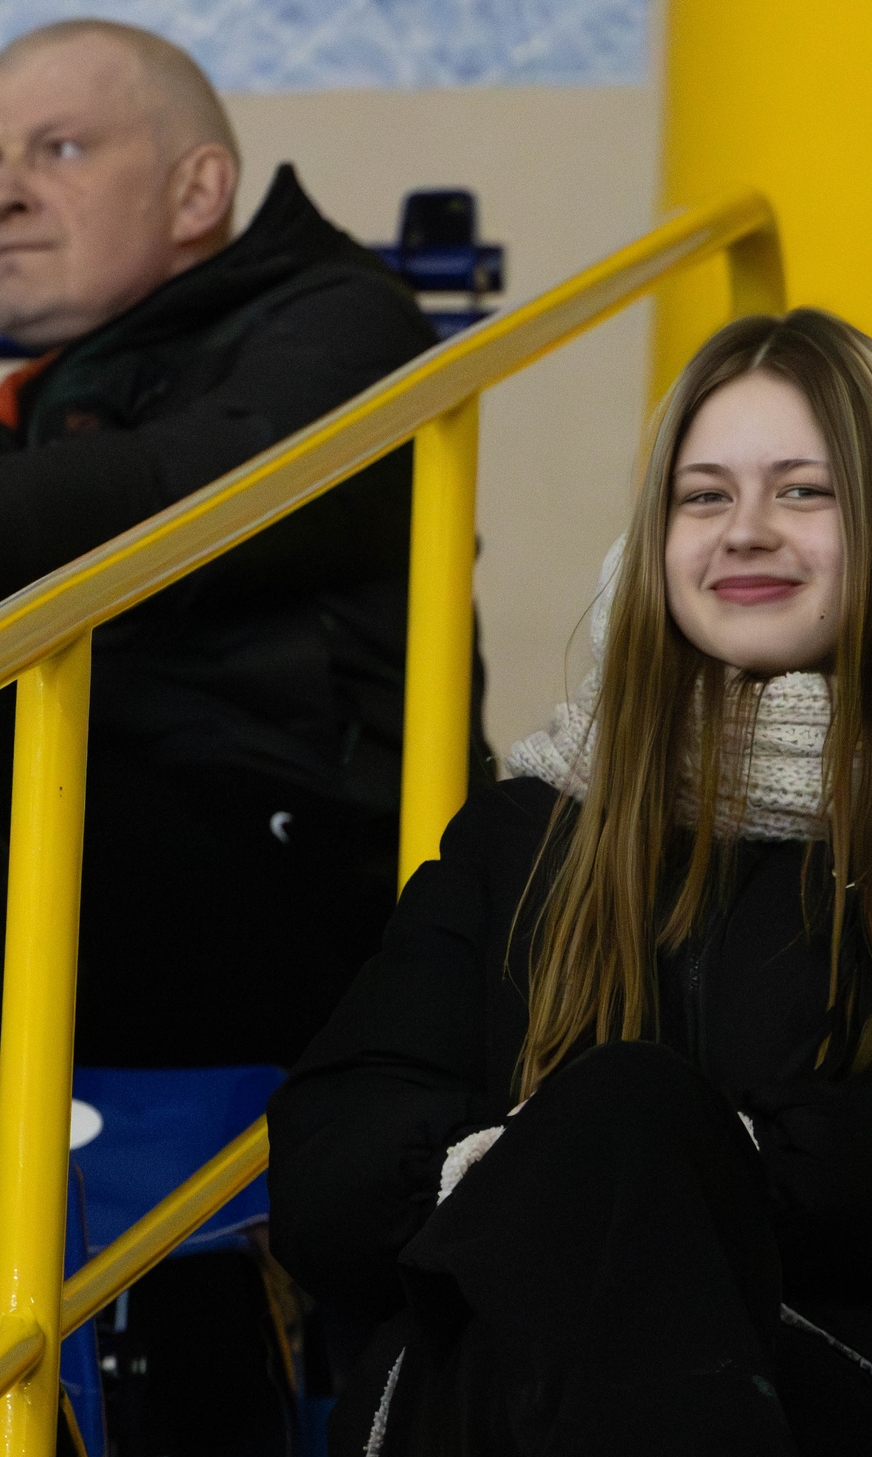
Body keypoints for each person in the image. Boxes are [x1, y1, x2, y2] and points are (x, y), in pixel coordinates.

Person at [265, 309, 872, 1457]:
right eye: (703, 496)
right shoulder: (524, 839)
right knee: (614, 1131)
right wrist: (563, 1175)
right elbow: (329, 1173)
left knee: (631, 1117)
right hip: (497, 1419)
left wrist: (715, 1165)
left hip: (852, 1428)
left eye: (805, 492)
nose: (745, 531)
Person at [0, 18, 474, 1069]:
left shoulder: (348, 323)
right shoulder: (50, 392)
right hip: (118, 843)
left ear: (199, 191)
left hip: (307, 877)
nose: (6, 195)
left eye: (59, 149)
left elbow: (181, 490)